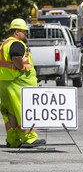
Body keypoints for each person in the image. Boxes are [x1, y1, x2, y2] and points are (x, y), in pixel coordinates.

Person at [0, 18, 46, 148]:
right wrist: (21, 67)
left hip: (5, 83)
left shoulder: (4, 44)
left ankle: (12, 139)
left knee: (10, 113)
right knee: (23, 110)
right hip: (16, 84)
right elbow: (15, 56)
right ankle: (29, 138)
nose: (25, 34)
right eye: (24, 32)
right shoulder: (16, 43)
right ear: (17, 32)